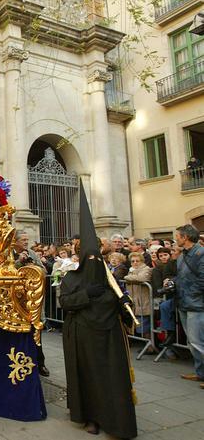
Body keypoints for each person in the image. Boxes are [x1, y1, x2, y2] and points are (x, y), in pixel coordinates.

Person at [59, 182, 137, 438]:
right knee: (90, 380)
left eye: (97, 259)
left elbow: (121, 303)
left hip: (109, 339)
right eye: (88, 259)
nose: (93, 263)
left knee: (112, 380)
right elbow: (66, 303)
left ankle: (116, 420)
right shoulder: (71, 279)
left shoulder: (109, 281)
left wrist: (126, 306)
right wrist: (85, 295)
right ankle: (90, 417)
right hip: (83, 337)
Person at [12, 230, 50, 377]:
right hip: (17, 299)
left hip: (32, 298)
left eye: (27, 240)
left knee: (36, 330)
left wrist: (33, 265)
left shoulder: (32, 254)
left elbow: (43, 271)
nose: (26, 242)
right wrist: (18, 262)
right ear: (15, 242)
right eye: (23, 240)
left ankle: (40, 363)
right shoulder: (9, 254)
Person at [174, 224, 203, 388]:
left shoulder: (201, 253)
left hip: (196, 304)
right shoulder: (182, 255)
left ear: (185, 237)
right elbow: (181, 277)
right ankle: (200, 373)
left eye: (177, 236)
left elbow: (202, 279)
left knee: (199, 342)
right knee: (193, 342)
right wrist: (172, 282)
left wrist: (191, 294)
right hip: (184, 302)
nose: (175, 238)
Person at [124, 252, 154, 348]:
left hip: (143, 301)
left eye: (137, 261)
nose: (135, 263)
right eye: (133, 261)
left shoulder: (146, 269)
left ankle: (150, 347)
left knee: (144, 326)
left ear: (142, 261)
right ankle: (146, 345)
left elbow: (142, 278)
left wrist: (126, 277)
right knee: (138, 326)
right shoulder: (131, 270)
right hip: (134, 301)